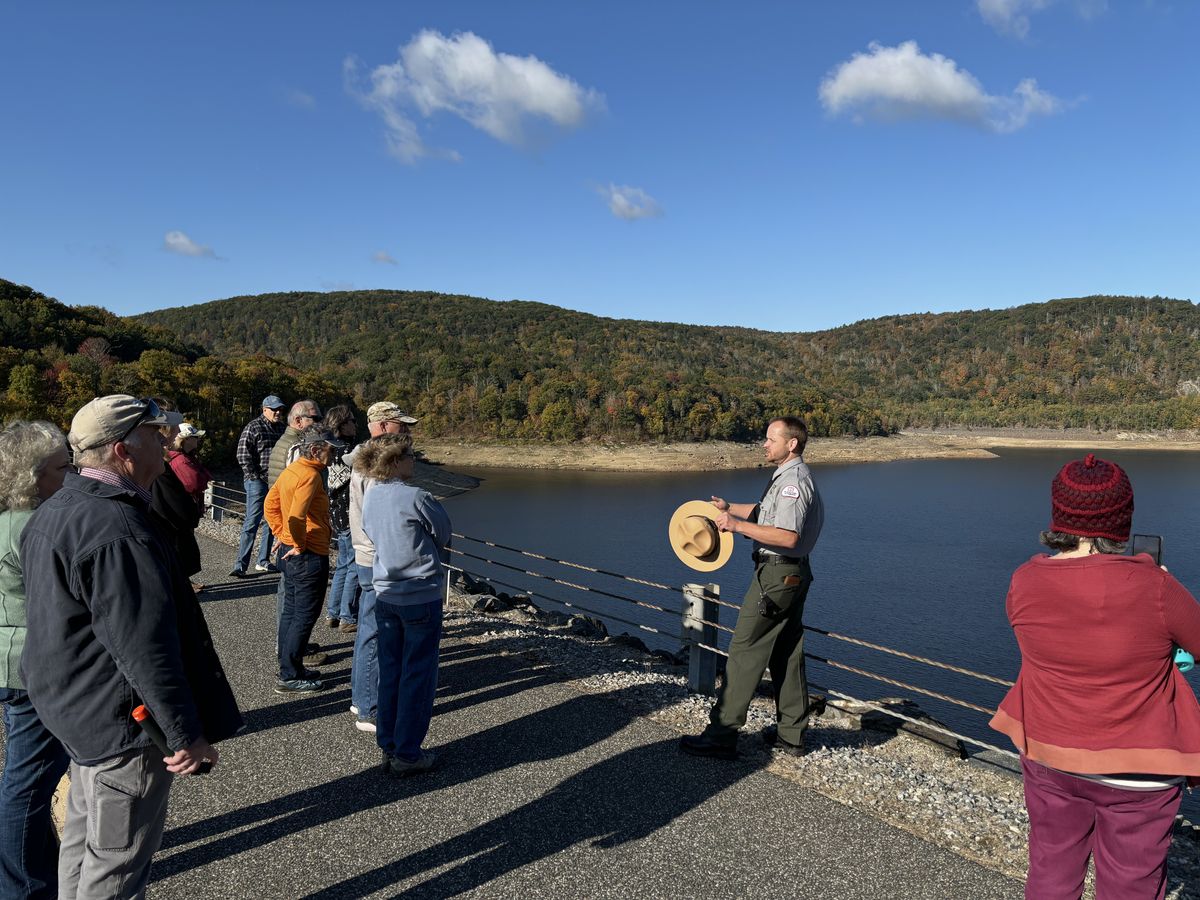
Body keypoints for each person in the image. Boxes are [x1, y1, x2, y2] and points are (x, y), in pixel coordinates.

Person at [20, 395, 242, 899]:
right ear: (123, 450)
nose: (165, 442)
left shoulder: (60, 508)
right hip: (122, 721)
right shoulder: (117, 528)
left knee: (84, 844)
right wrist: (184, 734)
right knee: (116, 866)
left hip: (80, 710)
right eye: (154, 433)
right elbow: (146, 646)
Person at [989, 453, 1200, 899]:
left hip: (1049, 754)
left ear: (1059, 516)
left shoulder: (1024, 579)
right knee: (1132, 884)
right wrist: (1159, 583)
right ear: (1123, 520)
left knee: (1051, 872)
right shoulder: (1157, 588)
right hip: (1139, 770)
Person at [679, 416, 824, 760]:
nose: (764, 444)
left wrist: (737, 525)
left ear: (791, 444)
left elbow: (788, 536)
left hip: (775, 576)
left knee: (744, 652)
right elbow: (765, 514)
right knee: (786, 651)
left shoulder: (793, 483)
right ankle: (792, 735)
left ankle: (721, 736)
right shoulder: (789, 477)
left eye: (771, 439)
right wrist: (730, 511)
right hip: (790, 575)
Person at [0, 420, 72, 898]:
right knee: (28, 781)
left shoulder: (7, 519)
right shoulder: (36, 526)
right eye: (61, 468)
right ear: (34, 476)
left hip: (10, 659)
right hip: (33, 665)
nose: (70, 475)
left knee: (25, 773)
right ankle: (22, 885)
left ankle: (34, 870)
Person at [357, 433, 451, 776]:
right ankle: (408, 754)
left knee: (391, 671)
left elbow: (370, 533)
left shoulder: (372, 496)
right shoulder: (416, 497)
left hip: (386, 596)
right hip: (420, 596)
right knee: (418, 675)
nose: (415, 460)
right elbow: (443, 531)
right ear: (394, 462)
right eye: (410, 455)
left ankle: (390, 744)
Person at [346, 400, 418, 734]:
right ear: (384, 425)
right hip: (377, 557)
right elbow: (380, 515)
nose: (407, 431)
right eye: (402, 425)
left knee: (368, 627)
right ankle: (369, 708)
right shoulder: (375, 462)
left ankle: (360, 698)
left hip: (366, 555)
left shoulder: (362, 457)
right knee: (376, 631)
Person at [265, 424, 343, 694]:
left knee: (290, 612)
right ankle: (289, 675)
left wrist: (281, 534)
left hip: (291, 552)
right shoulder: (310, 476)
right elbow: (297, 516)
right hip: (307, 554)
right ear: (315, 450)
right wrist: (297, 543)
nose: (334, 456)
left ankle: (290, 667)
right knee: (304, 616)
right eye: (331, 451)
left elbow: (270, 504)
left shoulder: (292, 470)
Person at [231, 395, 286, 577]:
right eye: (274, 409)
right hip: (257, 481)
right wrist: (254, 477)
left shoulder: (282, 428)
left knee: (272, 522)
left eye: (280, 409)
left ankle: (263, 561)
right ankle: (240, 565)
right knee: (251, 522)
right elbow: (242, 454)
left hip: (276, 482)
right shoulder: (253, 427)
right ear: (264, 409)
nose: (278, 412)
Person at [150, 405, 204, 590]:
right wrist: (190, 513)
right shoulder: (171, 461)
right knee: (177, 552)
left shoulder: (167, 459)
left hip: (171, 517)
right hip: (172, 519)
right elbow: (192, 484)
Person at [323, 405, 360, 635]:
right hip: (350, 516)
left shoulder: (329, 451)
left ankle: (333, 612)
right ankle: (347, 616)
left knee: (342, 565)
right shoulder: (348, 452)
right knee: (353, 565)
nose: (356, 425)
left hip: (335, 515)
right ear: (342, 425)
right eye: (352, 421)